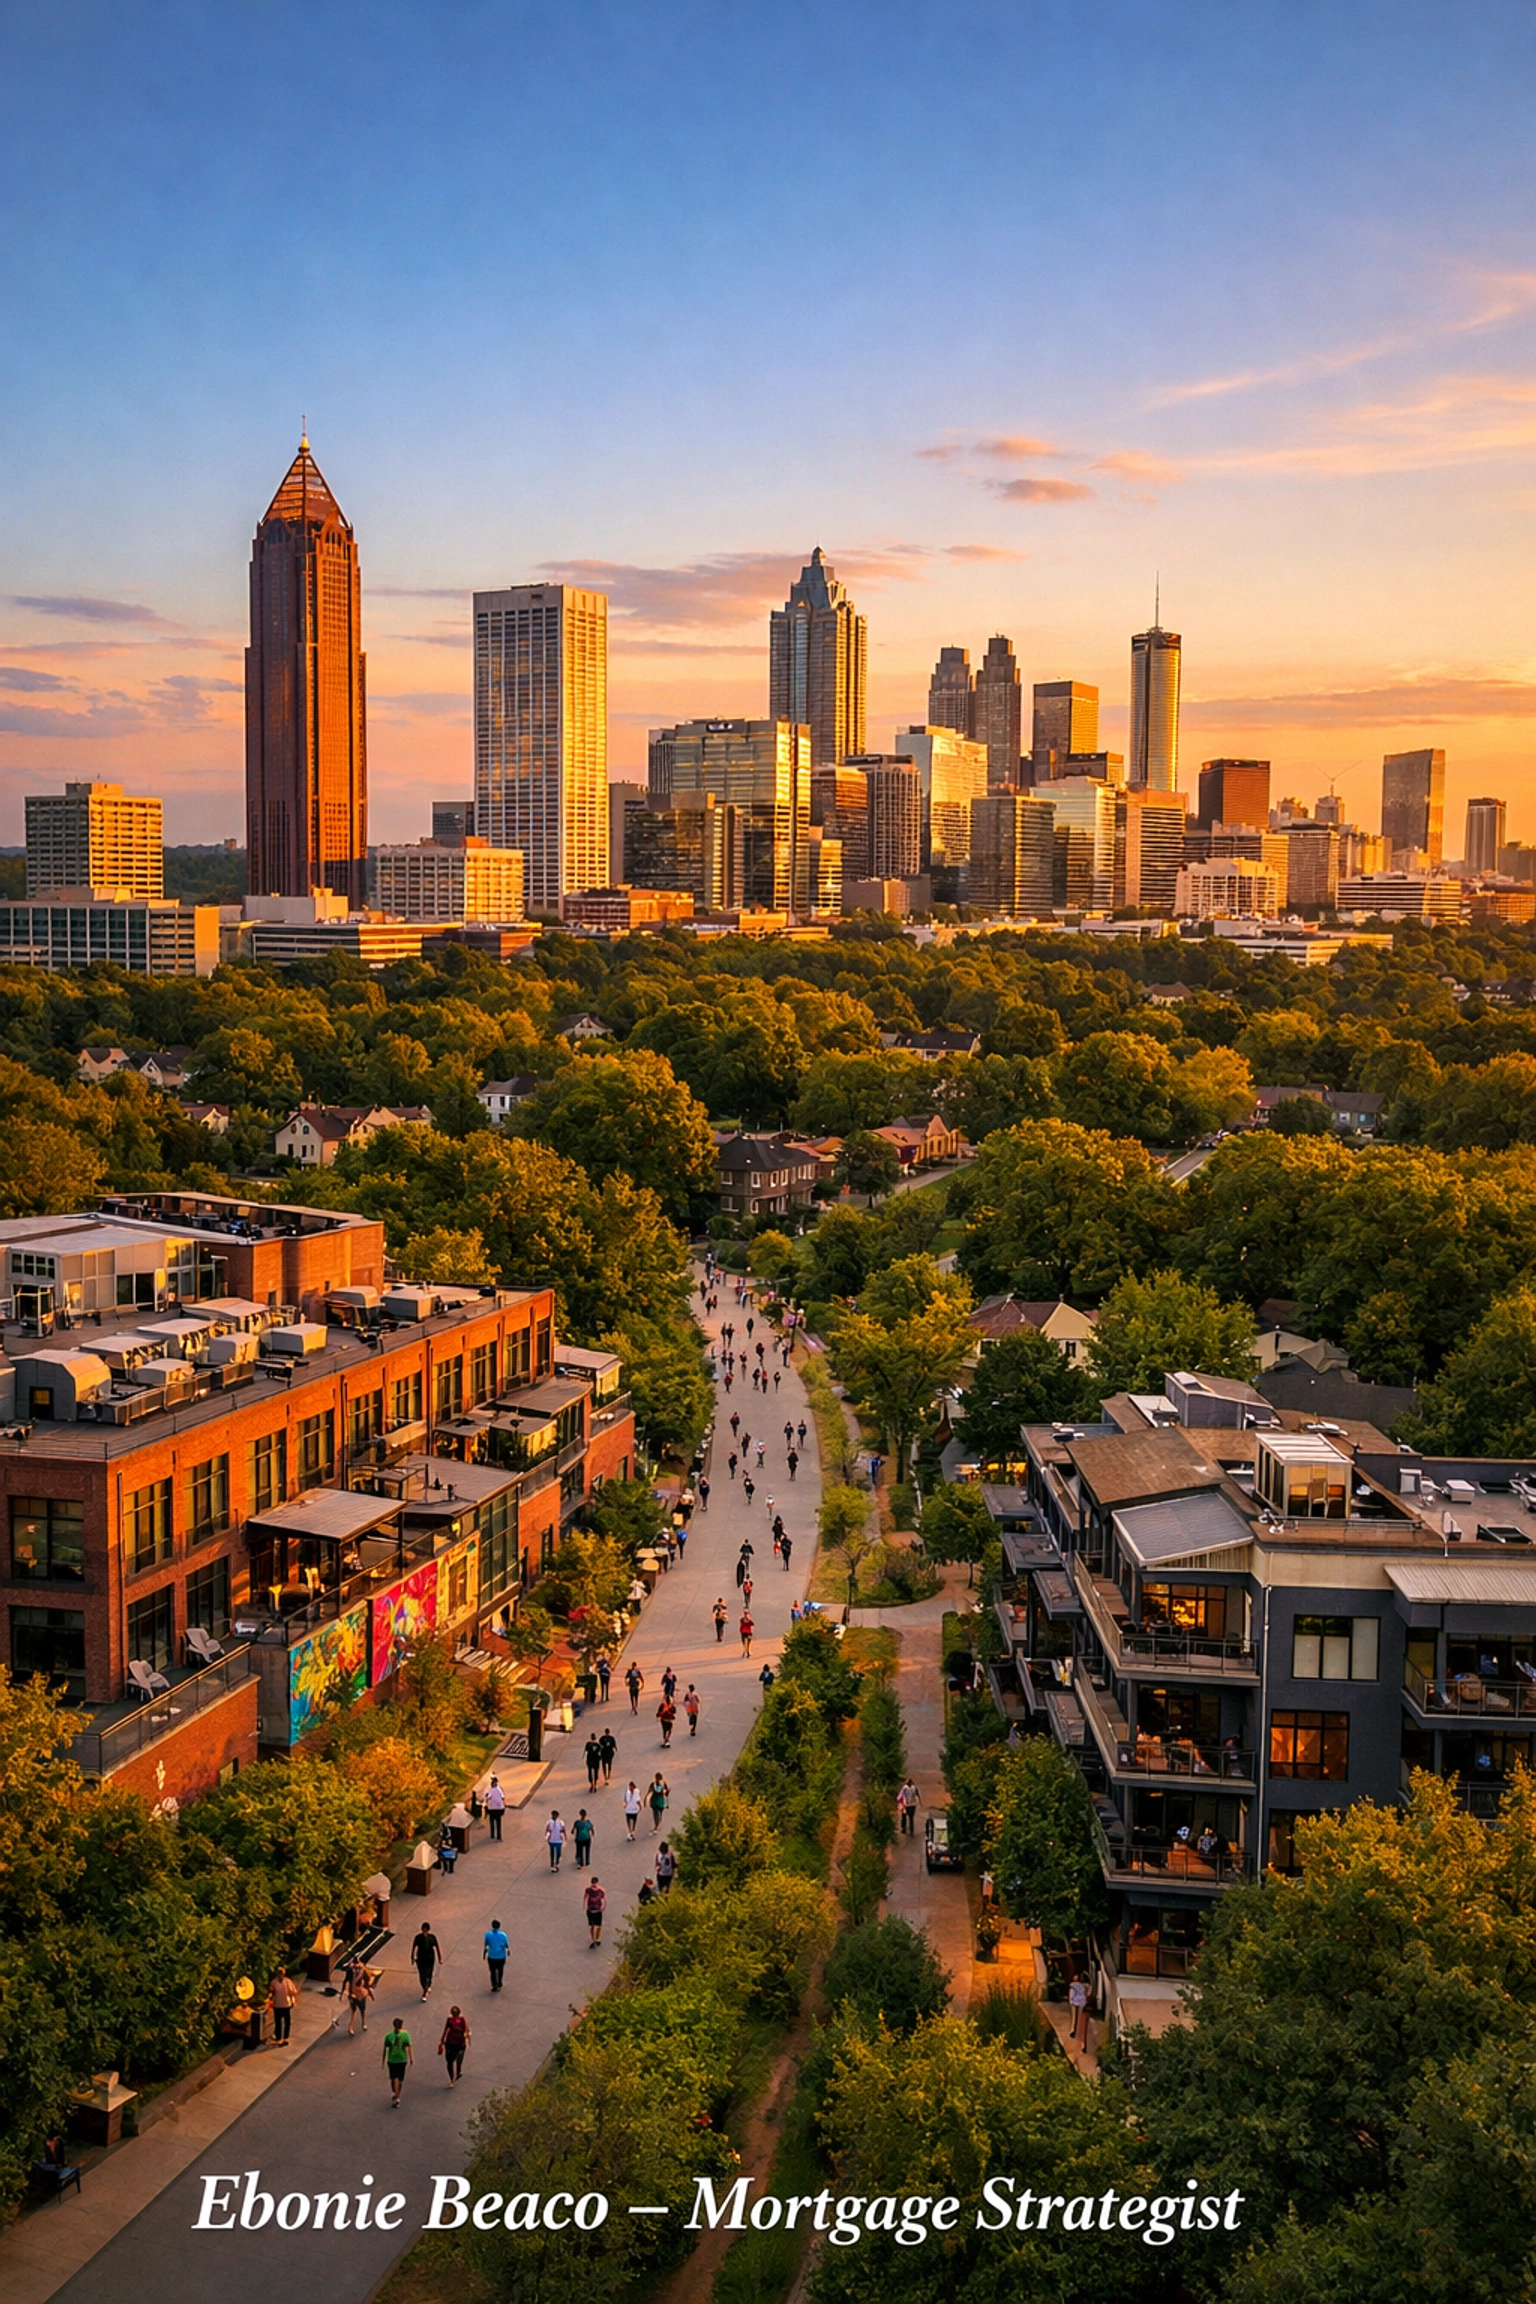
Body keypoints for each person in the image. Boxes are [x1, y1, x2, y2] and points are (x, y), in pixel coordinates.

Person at [438, 2005, 470, 2087]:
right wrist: (467, 2040)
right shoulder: (463, 2020)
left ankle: (452, 2080)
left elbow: (445, 2031)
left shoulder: (450, 2020)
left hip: (451, 2043)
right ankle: (458, 2071)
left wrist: (442, 2041)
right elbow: (467, 2030)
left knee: (449, 2061)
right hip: (461, 2043)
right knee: (460, 2057)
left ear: (451, 2013)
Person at [383, 2018, 413, 2106]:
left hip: (392, 2059)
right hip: (402, 2059)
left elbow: (385, 2048)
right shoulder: (406, 2035)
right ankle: (397, 2094)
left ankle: (396, 2093)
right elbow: (409, 2046)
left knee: (393, 2077)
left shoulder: (389, 2036)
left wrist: (383, 2060)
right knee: (399, 2078)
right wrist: (411, 2058)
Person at [411, 1924, 442, 2002]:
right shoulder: (418, 1937)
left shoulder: (432, 1937)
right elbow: (414, 1947)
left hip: (430, 1958)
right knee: (422, 1974)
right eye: (423, 1930)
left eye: (426, 1930)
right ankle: (426, 1987)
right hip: (421, 1958)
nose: (424, 1931)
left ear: (428, 1930)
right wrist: (412, 1957)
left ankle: (425, 1992)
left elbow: (437, 1947)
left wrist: (440, 1958)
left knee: (429, 1974)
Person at [344, 1957, 374, 2035]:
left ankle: (363, 2022)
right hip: (352, 1993)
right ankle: (350, 2026)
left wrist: (369, 1991)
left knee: (362, 2009)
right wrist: (345, 1990)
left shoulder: (363, 1972)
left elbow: (368, 1981)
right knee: (353, 2010)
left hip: (361, 1993)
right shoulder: (350, 1972)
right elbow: (346, 1981)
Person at [269, 1967, 298, 2045]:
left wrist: (293, 2001)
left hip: (286, 2004)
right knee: (278, 2022)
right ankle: (278, 2037)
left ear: (283, 1974)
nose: (280, 1975)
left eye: (281, 1974)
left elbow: (293, 1992)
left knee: (287, 2022)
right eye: (279, 1974)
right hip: (277, 2005)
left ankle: (285, 2037)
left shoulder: (288, 1982)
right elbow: (271, 1991)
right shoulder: (274, 1982)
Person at [483, 1919, 509, 1992]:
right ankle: (499, 1983)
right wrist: (508, 1951)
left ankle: (494, 1985)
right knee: (500, 1970)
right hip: (501, 1956)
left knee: (492, 1971)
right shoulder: (503, 1935)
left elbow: (486, 1945)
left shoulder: (488, 1935)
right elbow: (506, 1945)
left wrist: (484, 1954)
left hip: (492, 1956)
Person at [1068, 1973, 1090, 2046]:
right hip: (1082, 2002)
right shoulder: (1083, 1986)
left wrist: (1071, 2001)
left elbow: (1071, 1994)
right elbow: (1087, 1993)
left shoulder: (1073, 1986)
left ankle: (1073, 2032)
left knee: (1074, 2018)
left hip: (1075, 2002)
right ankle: (1078, 2032)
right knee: (1080, 2019)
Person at [584, 1877, 607, 1945]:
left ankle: (592, 1938)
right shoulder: (601, 1890)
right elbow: (603, 1900)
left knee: (591, 1925)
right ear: (597, 1882)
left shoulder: (587, 1889)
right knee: (598, 1925)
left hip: (590, 1910)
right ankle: (597, 1939)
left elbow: (585, 1899)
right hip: (597, 1911)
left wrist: (586, 1908)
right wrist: (602, 1908)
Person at [485, 1775, 507, 1841]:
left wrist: (487, 1802)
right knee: (498, 1823)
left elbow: (488, 1797)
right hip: (499, 1809)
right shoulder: (499, 1789)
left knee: (492, 1822)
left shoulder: (490, 1790)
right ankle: (499, 1836)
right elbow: (503, 1797)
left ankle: (492, 1835)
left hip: (491, 1809)